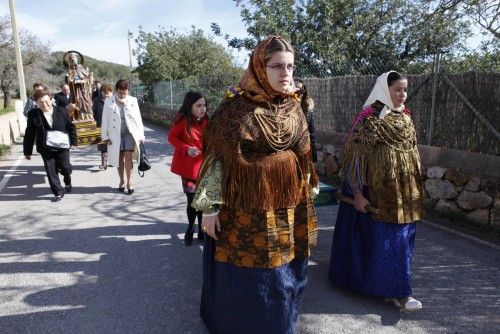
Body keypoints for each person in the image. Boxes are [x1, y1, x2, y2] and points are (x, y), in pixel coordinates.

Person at [192, 36, 318, 333]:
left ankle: (280, 323)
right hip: (245, 213)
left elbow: (304, 156)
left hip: (287, 207)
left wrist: (309, 190)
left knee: (284, 271)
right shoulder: (233, 110)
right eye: (277, 66)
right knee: (251, 276)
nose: (285, 73)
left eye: (289, 66)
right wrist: (209, 209)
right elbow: (216, 160)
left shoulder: (293, 107)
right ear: (260, 67)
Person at [329, 71, 424, 310]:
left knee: (401, 242)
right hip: (374, 194)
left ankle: (398, 287)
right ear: (385, 90)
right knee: (380, 242)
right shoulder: (369, 119)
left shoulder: (406, 118)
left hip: (403, 195)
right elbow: (354, 160)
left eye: (405, 90)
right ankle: (395, 291)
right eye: (397, 90)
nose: (402, 95)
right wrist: (358, 194)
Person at [168, 91, 208, 245]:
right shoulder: (182, 120)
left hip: (204, 167)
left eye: (204, 105)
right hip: (189, 169)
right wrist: (187, 148)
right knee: (192, 202)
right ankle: (191, 227)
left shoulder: (207, 121)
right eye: (198, 105)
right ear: (189, 106)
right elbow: (171, 138)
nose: (202, 108)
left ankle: (202, 229)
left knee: (203, 202)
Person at [23, 89, 77, 202]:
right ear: (36, 103)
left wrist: (73, 142)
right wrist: (27, 151)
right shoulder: (33, 114)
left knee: (65, 167)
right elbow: (29, 133)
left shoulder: (62, 111)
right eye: (40, 102)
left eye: (46, 101)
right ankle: (58, 192)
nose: (44, 104)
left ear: (51, 99)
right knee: (50, 169)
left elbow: (71, 127)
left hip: (62, 145)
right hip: (45, 147)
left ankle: (67, 180)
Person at [101, 79, 145, 194]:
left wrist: (141, 135)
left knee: (128, 158)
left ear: (127, 91)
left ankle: (130, 182)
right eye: (120, 93)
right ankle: (121, 181)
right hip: (115, 134)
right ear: (116, 90)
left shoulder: (133, 101)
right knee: (118, 158)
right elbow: (105, 120)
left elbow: (138, 118)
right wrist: (105, 136)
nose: (122, 95)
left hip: (129, 133)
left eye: (124, 93)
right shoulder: (108, 101)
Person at [64, 51, 94, 119]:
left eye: (74, 57)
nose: (73, 59)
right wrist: (69, 79)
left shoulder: (81, 67)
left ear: (77, 58)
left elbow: (86, 78)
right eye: (71, 58)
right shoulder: (70, 69)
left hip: (83, 89)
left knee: (86, 101)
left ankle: (88, 113)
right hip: (75, 89)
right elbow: (67, 80)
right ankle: (80, 114)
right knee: (78, 101)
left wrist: (84, 80)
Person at [294, 78, 317, 163]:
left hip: (302, 150)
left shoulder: (307, 111)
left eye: (300, 90)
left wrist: (314, 157)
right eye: (294, 88)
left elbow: (312, 133)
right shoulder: (280, 106)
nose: (297, 92)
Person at [93, 83, 113, 170]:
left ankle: (112, 160)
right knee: (103, 145)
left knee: (112, 145)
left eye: (108, 92)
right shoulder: (97, 101)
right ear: (101, 92)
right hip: (101, 126)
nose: (106, 94)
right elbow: (93, 113)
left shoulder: (114, 100)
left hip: (113, 126)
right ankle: (103, 163)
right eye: (104, 93)